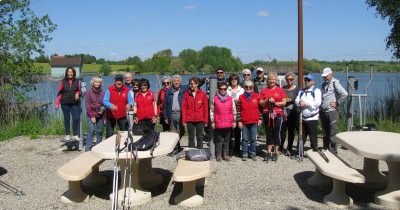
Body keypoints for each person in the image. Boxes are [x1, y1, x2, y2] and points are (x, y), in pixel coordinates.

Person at [259, 72, 287, 162]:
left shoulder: (280, 90)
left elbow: (284, 102)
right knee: (269, 133)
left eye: (273, 79)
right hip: (267, 113)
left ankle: (275, 152)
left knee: (276, 133)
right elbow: (261, 103)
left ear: (276, 80)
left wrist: (275, 103)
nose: (272, 81)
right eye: (270, 79)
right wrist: (267, 100)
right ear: (268, 81)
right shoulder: (264, 90)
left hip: (278, 114)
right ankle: (268, 152)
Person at [320, 67, 348, 153]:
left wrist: (337, 103)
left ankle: (333, 150)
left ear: (331, 74)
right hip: (323, 111)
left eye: (326, 76)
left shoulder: (335, 83)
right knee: (325, 131)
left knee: (332, 132)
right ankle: (326, 148)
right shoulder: (324, 84)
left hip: (332, 112)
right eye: (324, 76)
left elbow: (345, 94)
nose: (324, 78)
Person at [210, 82, 236, 162]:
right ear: (218, 89)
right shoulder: (214, 99)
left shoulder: (230, 98)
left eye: (225, 89)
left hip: (228, 122)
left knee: (227, 140)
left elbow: (234, 110)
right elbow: (211, 111)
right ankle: (218, 155)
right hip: (218, 122)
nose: (223, 90)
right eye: (221, 89)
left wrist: (234, 121)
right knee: (219, 140)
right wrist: (212, 122)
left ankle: (225, 154)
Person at [295, 74, 321, 152]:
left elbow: (317, 103)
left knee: (313, 136)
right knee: (301, 136)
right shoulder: (301, 91)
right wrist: (300, 102)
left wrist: (305, 104)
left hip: (312, 118)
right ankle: (300, 151)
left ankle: (315, 150)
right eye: (305, 80)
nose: (306, 82)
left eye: (308, 80)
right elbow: (296, 100)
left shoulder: (316, 91)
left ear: (313, 82)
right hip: (302, 118)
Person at [238, 80, 262, 161]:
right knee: (244, 139)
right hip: (244, 121)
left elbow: (260, 109)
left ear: (252, 88)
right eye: (246, 87)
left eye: (250, 87)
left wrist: (260, 119)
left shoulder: (257, 96)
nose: (248, 88)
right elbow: (238, 110)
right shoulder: (241, 97)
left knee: (253, 139)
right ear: (244, 87)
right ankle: (244, 153)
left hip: (254, 121)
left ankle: (252, 153)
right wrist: (239, 121)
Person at [103, 74, 134, 138]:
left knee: (125, 134)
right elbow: (104, 101)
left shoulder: (126, 90)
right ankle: (109, 147)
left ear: (123, 81)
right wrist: (111, 105)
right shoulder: (110, 89)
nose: (119, 82)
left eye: (120, 81)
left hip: (122, 116)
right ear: (115, 81)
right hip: (110, 116)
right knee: (109, 134)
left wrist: (130, 105)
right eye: (117, 80)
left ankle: (125, 146)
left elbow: (131, 101)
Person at [55, 66, 81, 142]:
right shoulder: (63, 81)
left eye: (71, 72)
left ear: (74, 73)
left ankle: (75, 135)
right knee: (67, 119)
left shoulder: (77, 81)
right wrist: (57, 103)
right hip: (65, 103)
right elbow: (59, 93)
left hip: (74, 103)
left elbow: (80, 91)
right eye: (69, 72)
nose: (70, 73)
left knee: (76, 118)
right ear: (67, 73)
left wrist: (77, 93)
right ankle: (67, 135)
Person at [182, 77, 209, 149]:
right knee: (191, 137)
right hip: (190, 119)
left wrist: (206, 120)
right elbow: (184, 108)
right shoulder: (187, 94)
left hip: (200, 120)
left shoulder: (202, 94)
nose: (190, 85)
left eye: (192, 84)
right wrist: (184, 120)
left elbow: (206, 108)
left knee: (200, 137)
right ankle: (191, 152)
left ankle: (200, 152)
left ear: (197, 84)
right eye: (190, 84)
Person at [164, 74, 187, 154]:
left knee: (181, 131)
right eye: (175, 81)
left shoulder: (184, 89)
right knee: (173, 132)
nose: (176, 82)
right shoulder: (168, 91)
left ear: (181, 82)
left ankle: (177, 146)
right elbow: (165, 105)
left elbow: (195, 83)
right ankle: (175, 148)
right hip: (171, 114)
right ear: (172, 82)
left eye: (178, 81)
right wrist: (166, 117)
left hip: (181, 114)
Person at [279, 72, 299, 156]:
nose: (289, 81)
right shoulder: (283, 88)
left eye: (291, 79)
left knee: (291, 131)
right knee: (282, 131)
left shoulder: (298, 89)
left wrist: (290, 100)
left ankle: (289, 148)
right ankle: (280, 147)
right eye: (287, 79)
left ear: (293, 79)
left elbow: (298, 100)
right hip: (283, 113)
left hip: (293, 113)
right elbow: (281, 99)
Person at [84, 76, 105, 151]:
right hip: (91, 114)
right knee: (91, 130)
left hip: (100, 114)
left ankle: (98, 147)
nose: (97, 83)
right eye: (96, 82)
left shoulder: (103, 93)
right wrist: (92, 116)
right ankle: (88, 147)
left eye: (99, 82)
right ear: (93, 83)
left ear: (101, 83)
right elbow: (87, 105)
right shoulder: (88, 92)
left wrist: (104, 117)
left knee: (99, 131)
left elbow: (104, 105)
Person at [227, 73, 244, 157]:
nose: (234, 80)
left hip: (238, 112)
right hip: (228, 113)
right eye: (232, 79)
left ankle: (237, 149)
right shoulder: (227, 89)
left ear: (238, 80)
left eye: (235, 79)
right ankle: (230, 150)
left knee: (237, 132)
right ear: (230, 81)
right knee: (229, 132)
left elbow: (244, 100)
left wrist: (239, 100)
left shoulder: (242, 90)